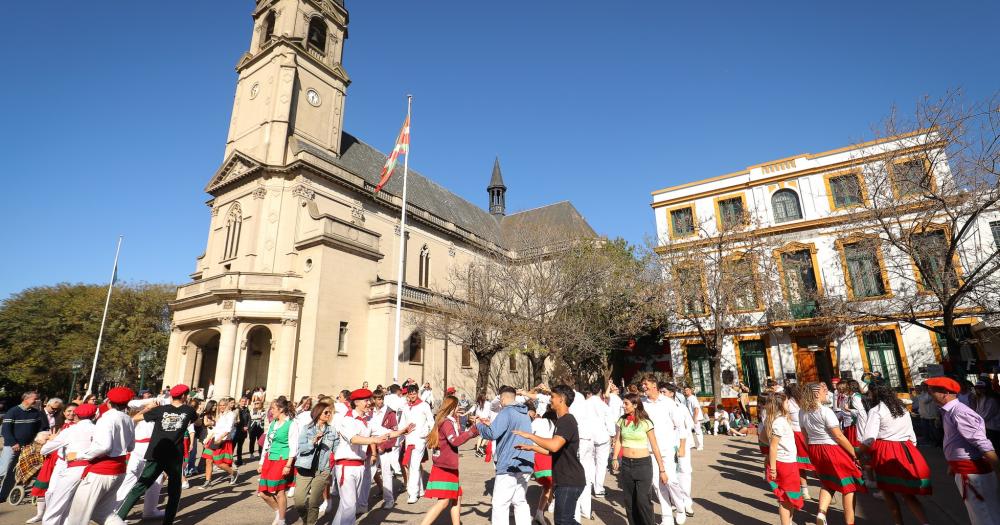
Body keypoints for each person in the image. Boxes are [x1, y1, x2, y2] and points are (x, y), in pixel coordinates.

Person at [111, 385, 198, 525]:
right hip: (174, 456)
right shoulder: (189, 410)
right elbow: (194, 420)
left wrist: (149, 408)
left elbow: (136, 418)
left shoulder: (160, 410)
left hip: (156, 453)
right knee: (174, 491)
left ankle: (118, 518)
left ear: (171, 396)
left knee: (140, 486)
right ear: (184, 396)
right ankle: (168, 522)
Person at [926, 376, 1000, 525]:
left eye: (931, 391)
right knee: (979, 514)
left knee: (985, 515)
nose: (929, 394)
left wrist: (998, 469)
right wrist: (952, 464)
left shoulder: (959, 412)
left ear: (945, 393)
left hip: (973, 473)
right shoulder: (950, 411)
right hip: (964, 470)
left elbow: (982, 444)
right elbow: (957, 441)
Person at [333, 389, 410, 525]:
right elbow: (354, 439)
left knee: (346, 505)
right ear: (356, 402)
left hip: (359, 466)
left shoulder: (367, 421)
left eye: (369, 400)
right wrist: (374, 440)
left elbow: (386, 432)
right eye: (366, 400)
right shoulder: (347, 419)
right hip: (346, 465)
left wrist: (401, 431)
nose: (370, 403)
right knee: (349, 506)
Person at [860, 382, 932, 525]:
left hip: (885, 452)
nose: (868, 396)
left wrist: (858, 453)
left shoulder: (876, 410)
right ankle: (925, 523)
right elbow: (912, 436)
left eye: (869, 393)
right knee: (908, 494)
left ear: (874, 394)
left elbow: (869, 439)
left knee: (888, 492)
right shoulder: (902, 409)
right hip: (906, 450)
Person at [514, 385, 586, 525]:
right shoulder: (562, 421)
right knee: (563, 520)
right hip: (565, 479)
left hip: (570, 480)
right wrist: (531, 448)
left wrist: (530, 436)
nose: (550, 400)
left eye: (552, 397)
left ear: (562, 399)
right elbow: (552, 450)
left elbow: (554, 445)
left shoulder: (567, 420)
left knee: (563, 520)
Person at [65, 386, 136, 525]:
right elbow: (131, 447)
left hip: (101, 471)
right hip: (119, 470)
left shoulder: (107, 418)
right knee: (101, 513)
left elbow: (103, 447)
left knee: (77, 517)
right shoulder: (128, 419)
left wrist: (78, 455)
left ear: (109, 402)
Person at [799, 382, 863, 525]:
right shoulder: (825, 411)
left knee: (827, 482)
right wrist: (855, 454)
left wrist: (811, 455)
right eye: (823, 390)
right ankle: (850, 522)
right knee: (849, 485)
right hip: (830, 448)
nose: (826, 393)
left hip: (815, 448)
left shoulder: (802, 411)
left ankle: (821, 513)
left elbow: (806, 437)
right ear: (816, 394)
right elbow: (838, 436)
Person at [477, 385, 534, 525]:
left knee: (500, 504)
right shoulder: (524, 413)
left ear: (502, 398)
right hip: (525, 463)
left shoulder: (506, 412)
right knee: (519, 501)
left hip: (509, 463)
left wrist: (479, 425)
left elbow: (492, 434)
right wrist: (490, 424)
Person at [610, 393, 670, 525]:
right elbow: (618, 440)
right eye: (623, 403)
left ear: (635, 405)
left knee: (643, 501)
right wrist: (614, 458)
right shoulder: (622, 420)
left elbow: (655, 446)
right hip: (626, 464)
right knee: (629, 502)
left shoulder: (646, 422)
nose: (623, 406)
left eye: (626, 403)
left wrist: (662, 469)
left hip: (643, 465)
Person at [419, 395, 479, 525]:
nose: (459, 408)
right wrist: (473, 430)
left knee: (456, 496)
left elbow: (459, 436)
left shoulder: (448, 420)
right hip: (445, 467)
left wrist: (474, 430)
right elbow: (455, 441)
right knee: (444, 501)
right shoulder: (446, 422)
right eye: (457, 405)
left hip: (447, 466)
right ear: (452, 407)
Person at [112, 397, 165, 521]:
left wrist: (154, 404)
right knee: (130, 479)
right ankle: (115, 510)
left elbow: (161, 402)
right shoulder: (133, 416)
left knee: (156, 480)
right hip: (139, 449)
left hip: (152, 448)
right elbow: (132, 405)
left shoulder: (157, 414)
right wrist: (148, 406)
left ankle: (150, 510)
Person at [41, 403, 96, 524]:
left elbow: (44, 450)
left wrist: (51, 439)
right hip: (93, 471)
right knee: (77, 507)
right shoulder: (98, 429)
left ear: (76, 416)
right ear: (94, 416)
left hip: (74, 469)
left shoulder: (71, 430)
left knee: (56, 506)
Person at [641, 376, 685, 525]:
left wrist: (682, 446)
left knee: (671, 481)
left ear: (654, 385)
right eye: (642, 385)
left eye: (645, 384)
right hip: (650, 450)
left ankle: (680, 507)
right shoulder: (643, 404)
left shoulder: (668, 403)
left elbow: (680, 425)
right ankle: (667, 517)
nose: (643, 387)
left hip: (666, 449)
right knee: (657, 484)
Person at [25, 404, 71, 524]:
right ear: (64, 412)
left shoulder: (77, 427)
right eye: (69, 411)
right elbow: (45, 438)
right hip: (51, 458)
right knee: (42, 485)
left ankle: (53, 515)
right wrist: (47, 438)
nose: (71, 413)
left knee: (57, 490)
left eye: (74, 411)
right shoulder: (59, 425)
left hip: (64, 460)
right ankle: (40, 514)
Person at [761, 392, 802, 525]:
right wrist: (772, 468)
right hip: (784, 463)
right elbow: (773, 446)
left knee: (789, 497)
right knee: (785, 498)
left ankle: (789, 522)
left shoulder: (778, 419)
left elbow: (762, 437)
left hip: (788, 461)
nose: (788, 404)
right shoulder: (779, 421)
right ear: (780, 405)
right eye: (786, 402)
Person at [1, 390, 49, 503]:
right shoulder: (13, 411)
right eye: (35, 399)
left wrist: (41, 439)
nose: (37, 401)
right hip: (11, 446)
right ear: (26, 399)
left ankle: (4, 495)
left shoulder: (36, 413)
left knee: (16, 471)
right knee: (3, 470)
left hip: (27, 447)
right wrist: (13, 443)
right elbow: (6, 430)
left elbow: (41, 428)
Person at [257, 398, 299, 525]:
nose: (271, 411)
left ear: (281, 409)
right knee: (263, 493)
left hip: (282, 459)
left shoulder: (291, 423)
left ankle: (282, 519)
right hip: (269, 459)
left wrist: (288, 465)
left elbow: (294, 446)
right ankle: (278, 511)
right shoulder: (273, 423)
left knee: (279, 491)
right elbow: (266, 444)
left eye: (273, 408)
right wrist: (261, 461)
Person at [293, 402, 336, 525]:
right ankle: (307, 520)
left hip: (322, 469)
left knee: (313, 502)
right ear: (318, 413)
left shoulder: (332, 431)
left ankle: (311, 523)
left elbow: (337, 449)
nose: (329, 415)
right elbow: (301, 449)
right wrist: (313, 442)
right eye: (326, 412)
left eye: (330, 412)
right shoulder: (307, 429)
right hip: (305, 468)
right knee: (299, 502)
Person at [399, 383, 435, 503]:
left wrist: (427, 434)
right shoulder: (405, 406)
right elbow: (402, 423)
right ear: (408, 394)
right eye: (410, 393)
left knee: (414, 465)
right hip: (408, 439)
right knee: (412, 465)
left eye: (414, 393)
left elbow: (431, 421)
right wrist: (400, 436)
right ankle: (420, 491)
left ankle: (412, 493)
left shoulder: (424, 405)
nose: (412, 395)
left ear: (417, 393)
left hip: (420, 439)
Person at [785, 383, 815, 501]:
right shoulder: (806, 401)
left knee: (800, 464)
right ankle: (827, 489)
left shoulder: (788, 403)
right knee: (816, 462)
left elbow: (787, 419)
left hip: (796, 434)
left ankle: (805, 490)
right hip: (809, 433)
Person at [528, 402, 557, 524]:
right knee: (549, 485)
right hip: (547, 455)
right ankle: (544, 508)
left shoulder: (537, 422)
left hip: (534, 455)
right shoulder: (556, 424)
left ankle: (541, 511)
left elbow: (529, 434)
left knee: (547, 485)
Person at [201, 397, 238, 487]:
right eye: (220, 405)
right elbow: (216, 429)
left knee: (219, 463)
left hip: (223, 440)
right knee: (208, 460)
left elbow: (228, 429)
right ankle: (207, 481)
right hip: (214, 439)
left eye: (224, 405)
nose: (221, 407)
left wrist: (220, 438)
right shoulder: (220, 415)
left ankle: (233, 473)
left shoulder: (230, 415)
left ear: (228, 405)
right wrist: (207, 438)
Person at [973, 380, 1000, 452]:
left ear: (987, 388)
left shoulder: (992, 400)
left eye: (982, 388)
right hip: (985, 427)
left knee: (994, 449)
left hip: (993, 428)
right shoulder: (980, 398)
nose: (979, 390)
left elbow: (986, 415)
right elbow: (978, 412)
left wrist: (974, 422)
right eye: (977, 388)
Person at [682, 387, 704, 451]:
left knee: (698, 432)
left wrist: (695, 418)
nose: (685, 391)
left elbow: (696, 408)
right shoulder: (687, 398)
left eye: (687, 390)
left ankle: (700, 445)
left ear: (690, 391)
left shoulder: (693, 398)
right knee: (688, 431)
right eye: (685, 390)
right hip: (690, 418)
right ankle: (691, 444)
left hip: (695, 418)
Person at [235, 396, 251, 466]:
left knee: (240, 447)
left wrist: (247, 426)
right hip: (236, 431)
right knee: (232, 446)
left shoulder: (247, 409)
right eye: (242, 401)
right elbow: (235, 421)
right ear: (239, 402)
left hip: (243, 432)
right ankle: (228, 461)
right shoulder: (236, 409)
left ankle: (239, 461)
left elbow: (249, 419)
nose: (244, 403)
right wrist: (242, 427)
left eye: (245, 401)